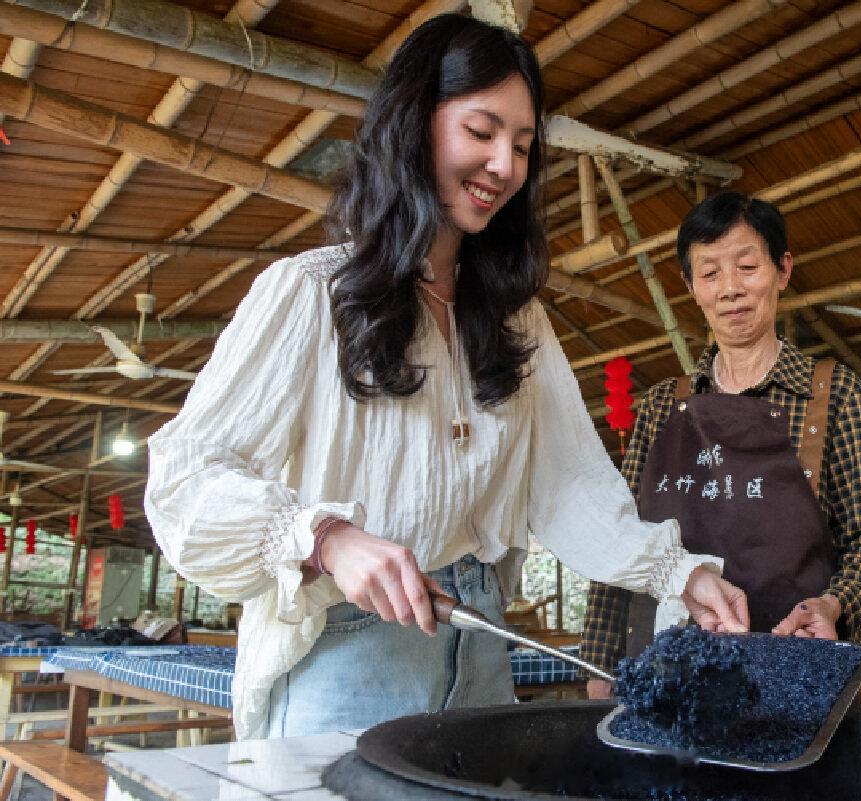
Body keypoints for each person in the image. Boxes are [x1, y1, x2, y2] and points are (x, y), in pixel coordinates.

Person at [144, 15, 748, 741]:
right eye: (481, 131)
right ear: (414, 125)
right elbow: (184, 480)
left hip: (481, 641)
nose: (504, 165)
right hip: (345, 649)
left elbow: (567, 484)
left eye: (521, 146)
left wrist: (679, 573)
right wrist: (327, 539)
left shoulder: (518, 322)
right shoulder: (311, 295)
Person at [581, 192, 861, 698]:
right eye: (710, 273)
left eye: (748, 266)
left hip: (797, 676)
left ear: (782, 270)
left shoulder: (832, 394)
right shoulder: (660, 408)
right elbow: (621, 541)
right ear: (691, 287)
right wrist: (599, 671)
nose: (730, 289)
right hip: (666, 683)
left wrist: (833, 605)